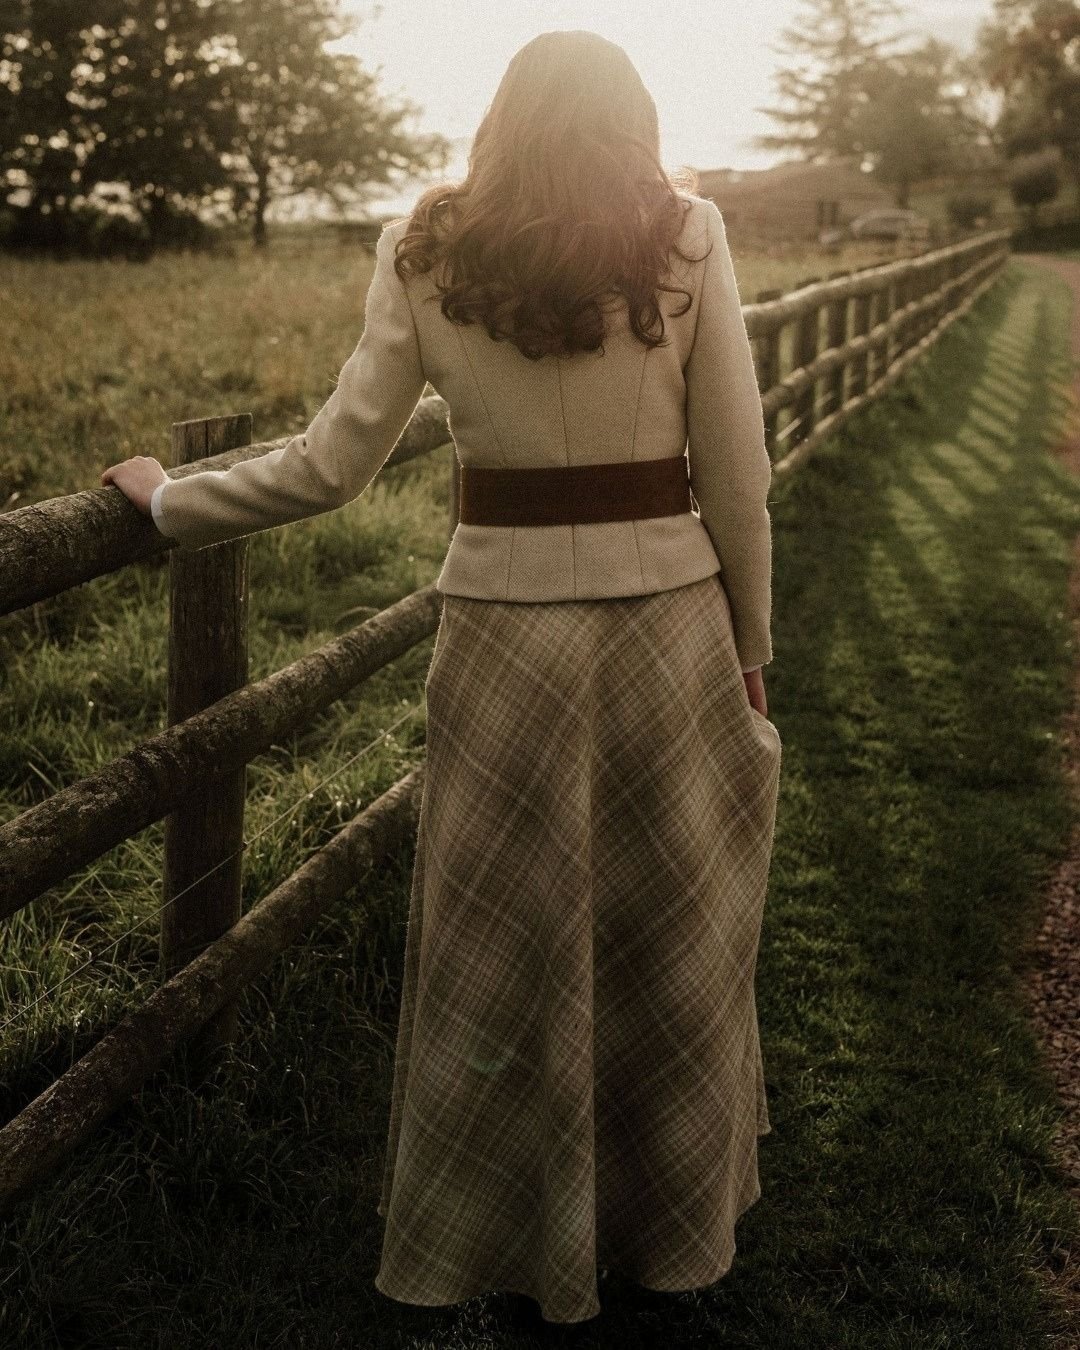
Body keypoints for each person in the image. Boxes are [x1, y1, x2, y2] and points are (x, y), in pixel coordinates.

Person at [101, 28, 782, 1329]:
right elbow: (735, 472)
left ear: (500, 118)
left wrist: (170, 499)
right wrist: (750, 654)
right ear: (630, 119)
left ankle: (507, 1231)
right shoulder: (685, 232)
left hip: (501, 643)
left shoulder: (426, 245)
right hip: (663, 632)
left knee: (503, 947)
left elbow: (332, 463)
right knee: (665, 928)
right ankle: (661, 1232)